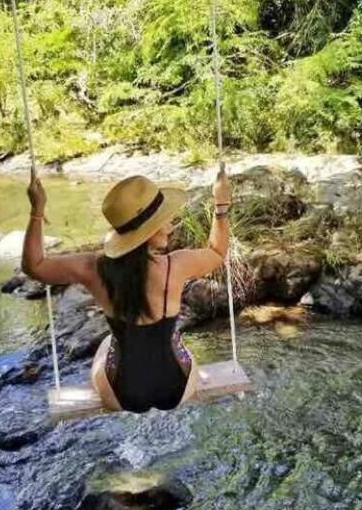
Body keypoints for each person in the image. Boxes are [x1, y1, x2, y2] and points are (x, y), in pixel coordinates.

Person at [21, 168, 232, 412]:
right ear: (149, 230)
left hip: (122, 395)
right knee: (176, 343)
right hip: (176, 389)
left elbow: (34, 266)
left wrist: (37, 211)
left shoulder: (93, 267)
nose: (170, 226)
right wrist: (221, 204)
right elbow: (217, 252)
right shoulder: (176, 265)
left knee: (108, 343)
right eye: (164, 221)